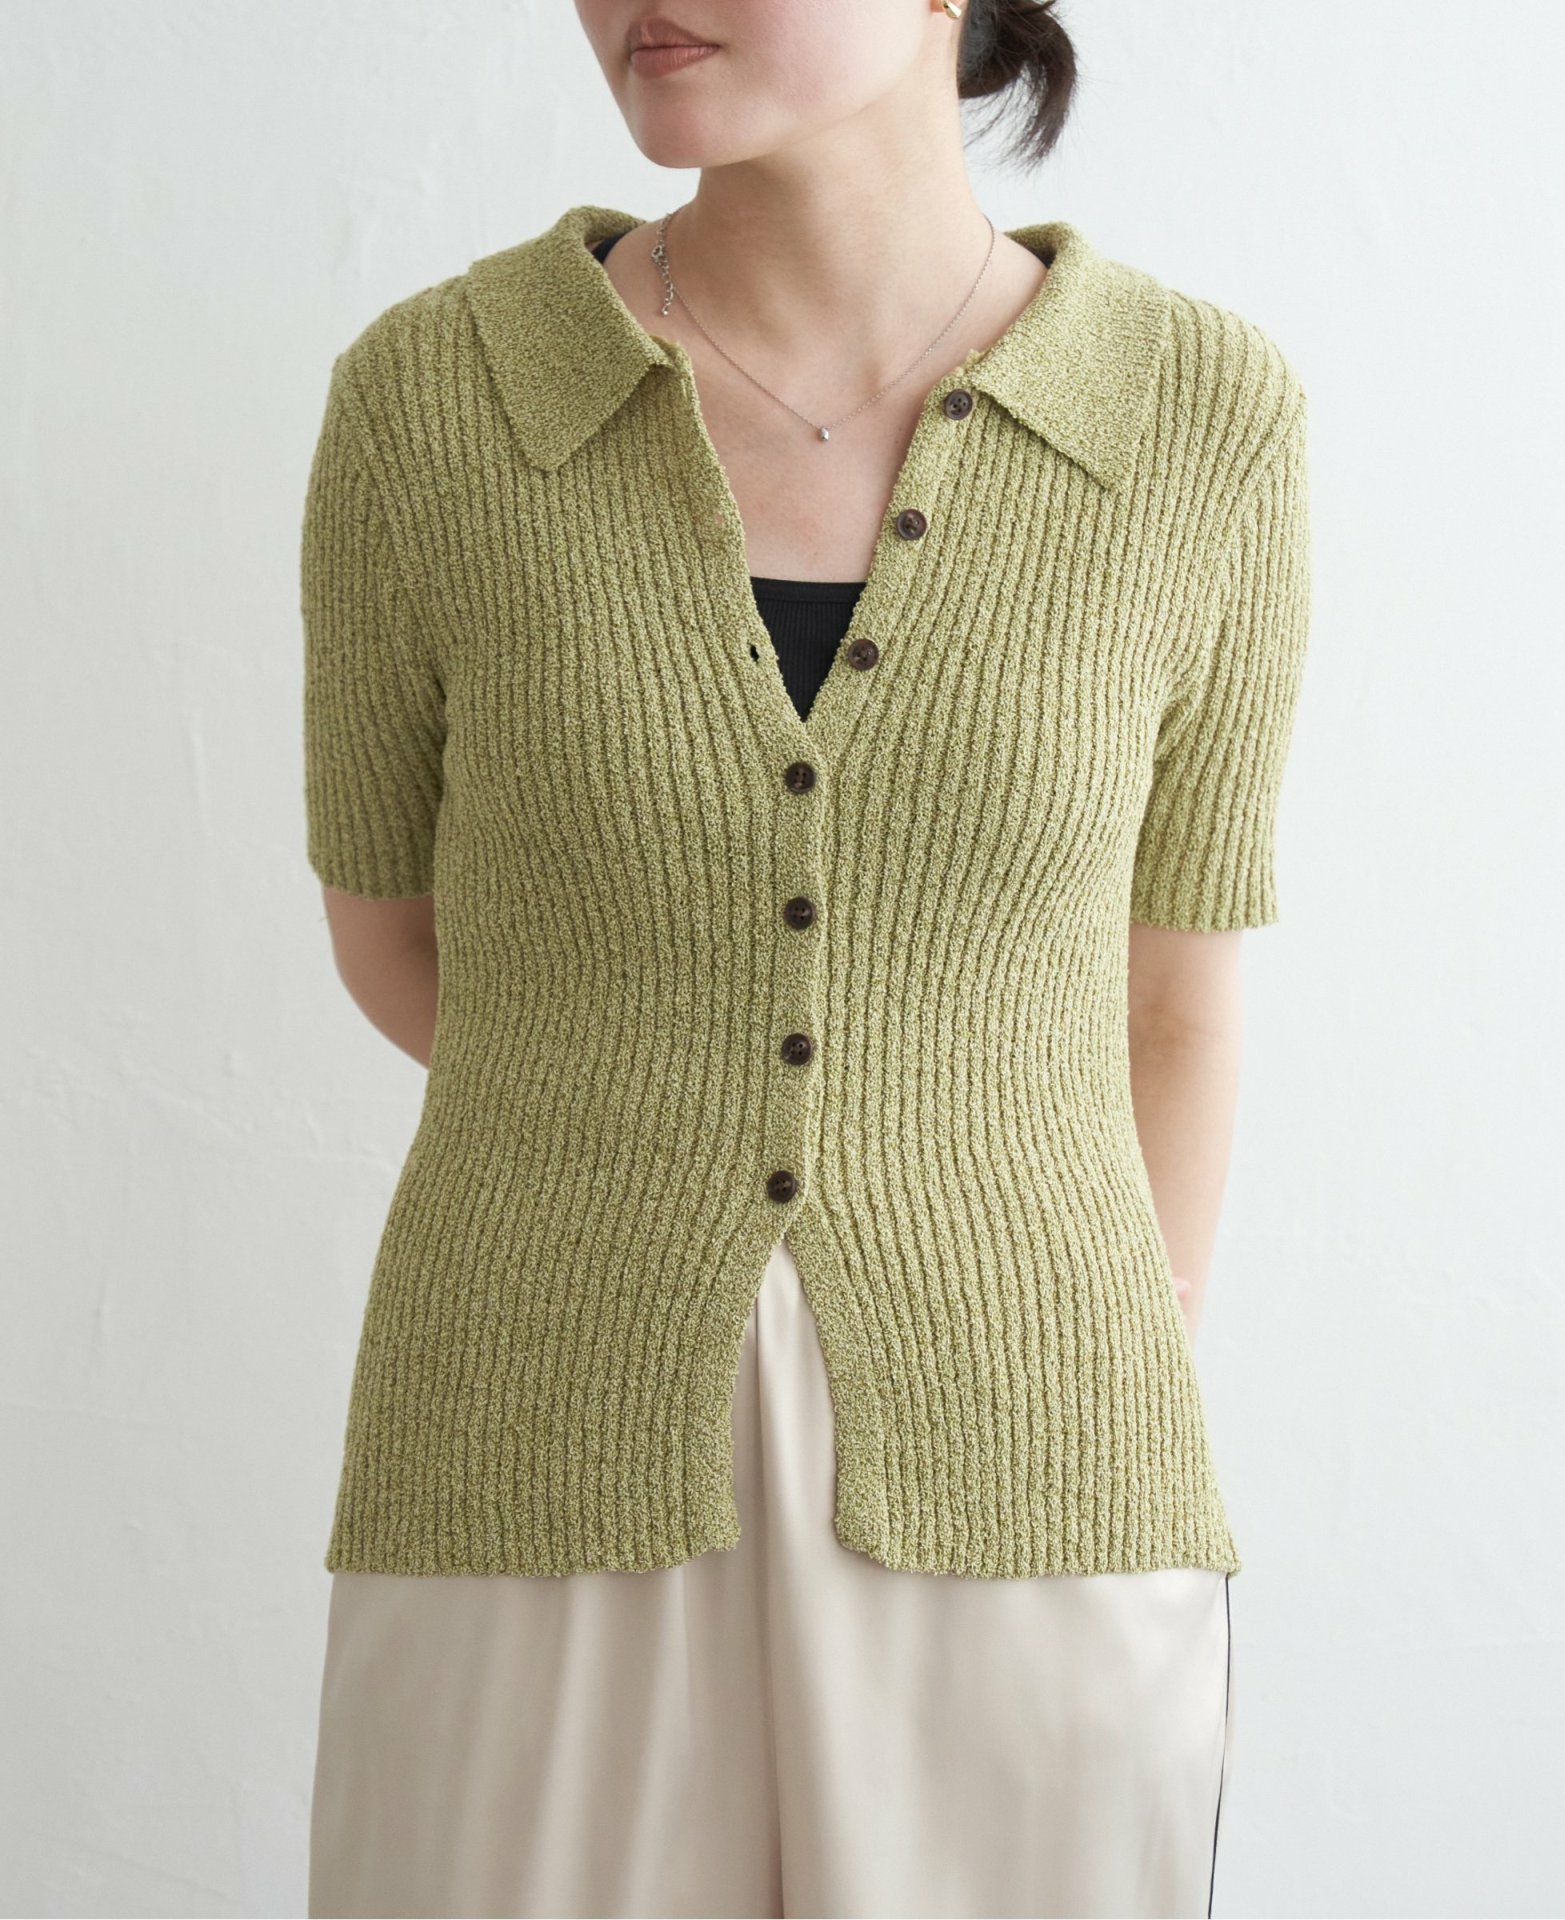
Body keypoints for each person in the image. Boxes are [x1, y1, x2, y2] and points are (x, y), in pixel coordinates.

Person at [299, 2, 1313, 1914]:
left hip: (1032, 1465)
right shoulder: (440, 399)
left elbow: (1173, 994)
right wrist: (645, 1123)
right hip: (525, 1439)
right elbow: (399, 931)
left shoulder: (1195, 414)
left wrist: (1071, 1353)